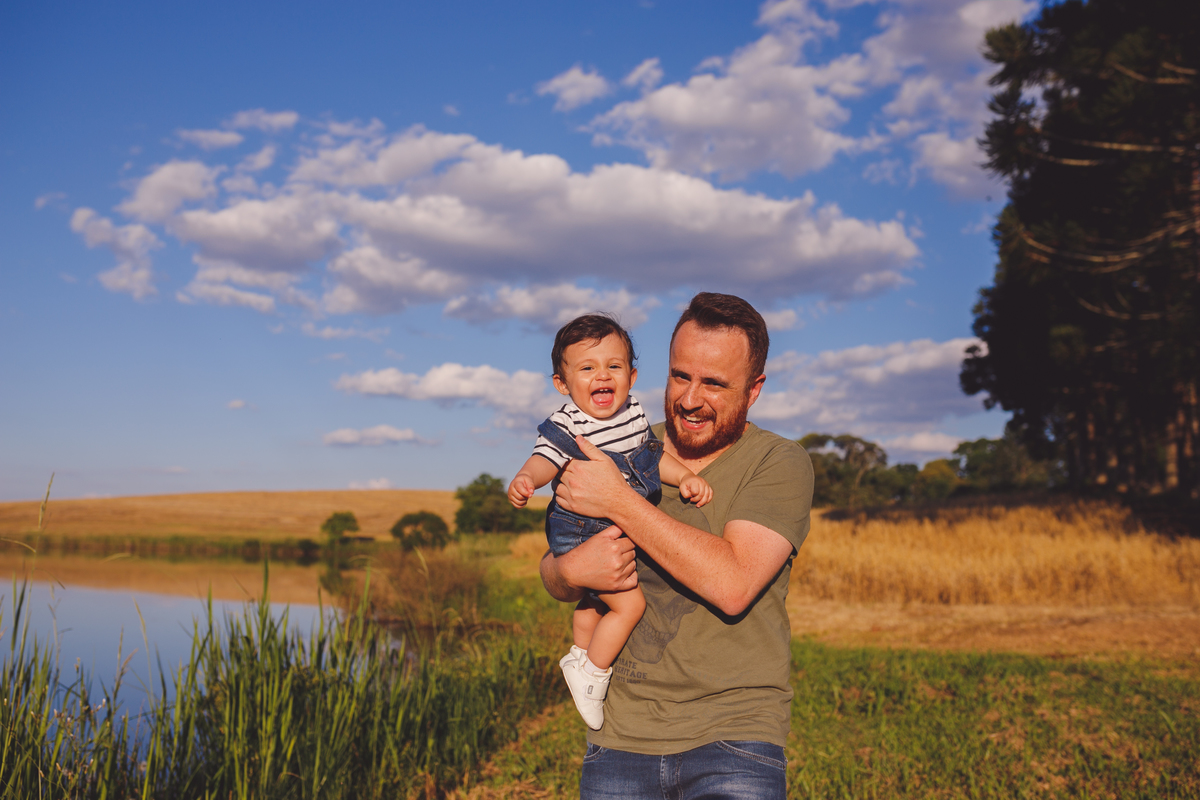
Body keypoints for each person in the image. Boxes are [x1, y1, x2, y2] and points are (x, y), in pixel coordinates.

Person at [540, 293, 814, 799]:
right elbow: (555, 570)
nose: (690, 399)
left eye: (714, 383)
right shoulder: (618, 443)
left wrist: (618, 501)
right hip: (619, 737)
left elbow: (733, 584)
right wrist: (571, 569)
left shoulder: (778, 463)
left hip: (735, 738)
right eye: (680, 375)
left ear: (754, 391)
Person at [508, 313, 713, 731]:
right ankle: (594, 675)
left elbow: (652, 460)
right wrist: (529, 477)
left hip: (611, 525)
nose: (602, 376)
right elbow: (546, 457)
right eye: (587, 368)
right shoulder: (570, 421)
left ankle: (579, 657)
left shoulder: (634, 416)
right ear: (562, 384)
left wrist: (687, 477)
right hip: (580, 528)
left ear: (633, 375)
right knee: (630, 603)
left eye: (613, 366)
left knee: (593, 605)